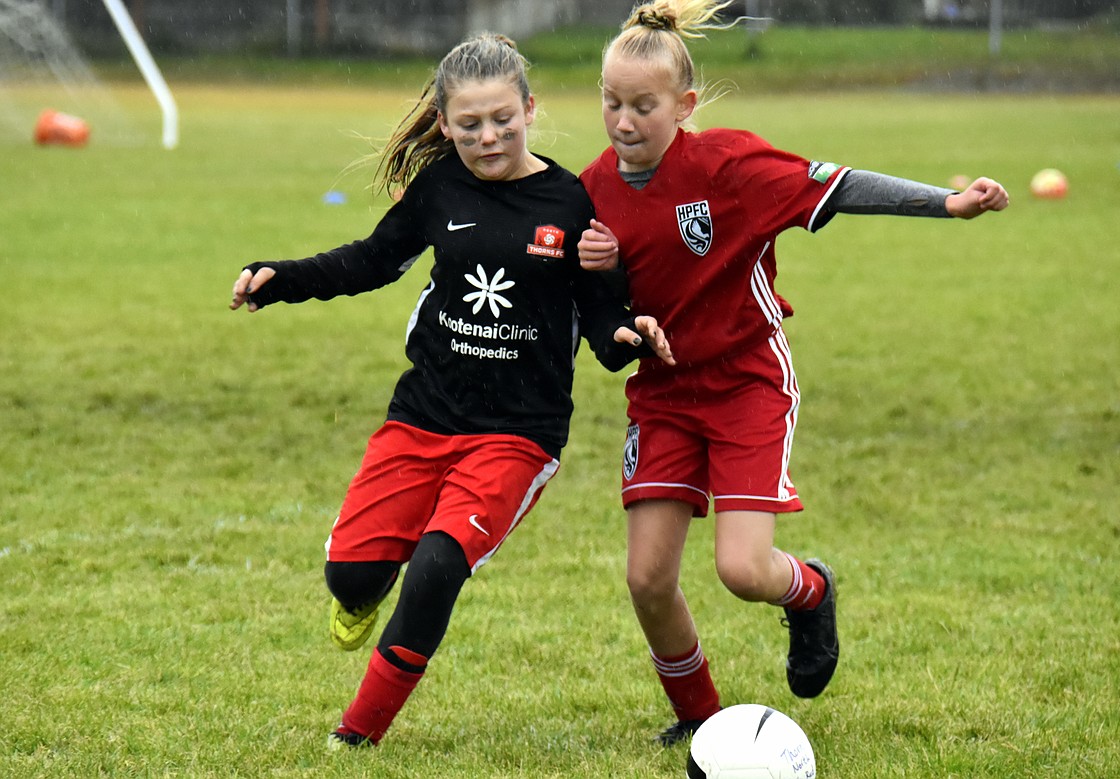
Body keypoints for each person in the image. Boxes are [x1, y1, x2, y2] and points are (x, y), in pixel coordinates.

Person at [576, 0, 1010, 746]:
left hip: (746, 382)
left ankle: (810, 591)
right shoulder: (590, 189)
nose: (622, 121)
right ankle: (700, 717)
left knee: (744, 570)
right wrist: (609, 298)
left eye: (642, 106)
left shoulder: (729, 166)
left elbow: (839, 184)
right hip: (663, 396)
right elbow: (588, 304)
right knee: (647, 578)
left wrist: (947, 203)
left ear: (683, 107)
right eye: (611, 102)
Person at [229, 33, 673, 749]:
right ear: (444, 124)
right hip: (423, 415)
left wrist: (626, 334)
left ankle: (357, 733)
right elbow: (372, 261)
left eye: (503, 118)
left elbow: (600, 318)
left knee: (436, 565)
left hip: (516, 433)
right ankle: (360, 589)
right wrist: (282, 279)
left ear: (530, 108)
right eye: (469, 125)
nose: (488, 136)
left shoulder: (570, 199)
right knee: (349, 577)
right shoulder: (439, 185)